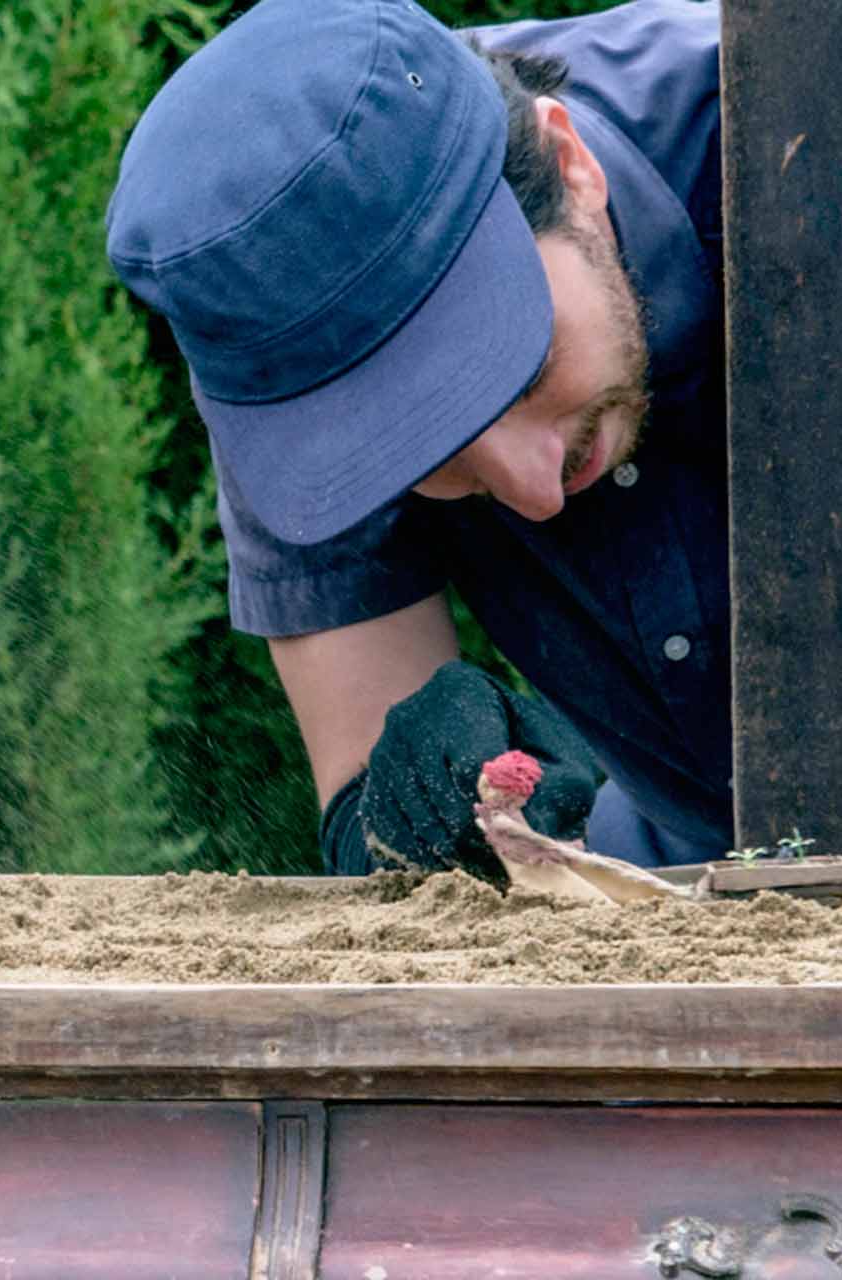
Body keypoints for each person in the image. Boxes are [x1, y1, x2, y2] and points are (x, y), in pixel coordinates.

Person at [106, 0, 731, 880]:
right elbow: (376, 833)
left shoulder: (836, 137)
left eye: (521, 368)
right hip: (692, 858)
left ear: (569, 163)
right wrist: (428, 806)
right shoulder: (294, 354)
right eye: (430, 453)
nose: (534, 491)